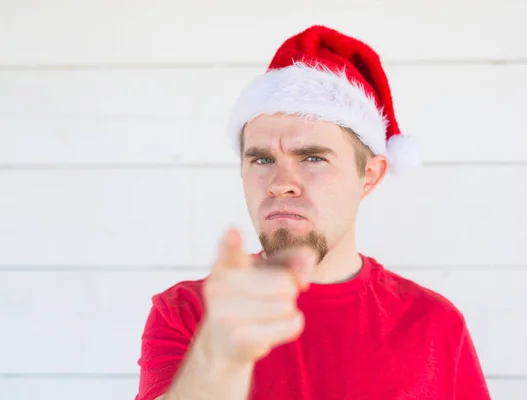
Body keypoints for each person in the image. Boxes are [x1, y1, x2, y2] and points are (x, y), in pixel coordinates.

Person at [134, 25, 491, 400]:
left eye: (313, 158)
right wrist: (219, 359)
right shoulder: (188, 312)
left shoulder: (434, 324)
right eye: (262, 158)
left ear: (369, 176)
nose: (279, 182)